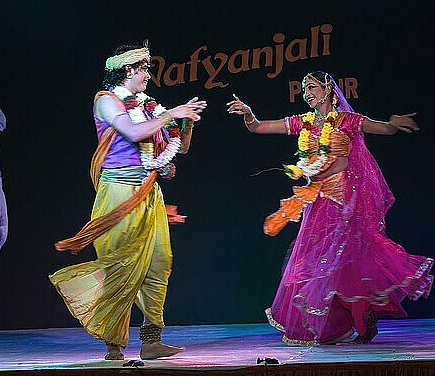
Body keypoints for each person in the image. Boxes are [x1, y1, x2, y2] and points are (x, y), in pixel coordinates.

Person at [227, 71, 433, 346]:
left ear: (328, 89)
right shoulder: (304, 122)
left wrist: (392, 124)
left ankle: (364, 314)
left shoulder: (347, 120)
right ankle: (339, 321)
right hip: (317, 199)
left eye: (311, 87)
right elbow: (259, 128)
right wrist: (249, 114)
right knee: (318, 262)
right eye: (303, 89)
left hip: (344, 199)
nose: (307, 92)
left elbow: (381, 128)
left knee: (347, 258)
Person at [49, 43, 206, 360]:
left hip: (149, 194)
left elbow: (181, 147)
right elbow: (134, 133)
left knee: (159, 263)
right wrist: (171, 115)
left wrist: (185, 123)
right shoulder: (106, 102)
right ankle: (114, 345)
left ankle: (151, 340)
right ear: (129, 70)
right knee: (122, 266)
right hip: (119, 194)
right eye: (144, 68)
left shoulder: (150, 107)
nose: (148, 74)